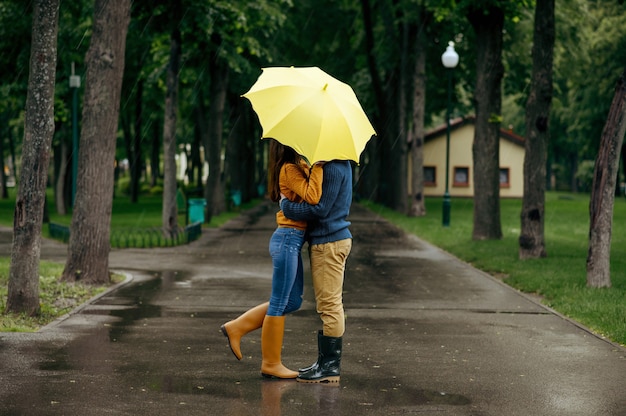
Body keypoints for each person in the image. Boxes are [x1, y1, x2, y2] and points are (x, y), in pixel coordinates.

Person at [221, 139, 323, 379]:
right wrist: (318, 165)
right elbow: (313, 195)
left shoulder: (296, 166)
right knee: (279, 302)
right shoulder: (289, 168)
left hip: (292, 241)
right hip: (288, 239)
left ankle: (237, 327)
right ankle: (271, 363)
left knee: (293, 301)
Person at [279, 159, 353, 384]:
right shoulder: (342, 164)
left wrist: (286, 206)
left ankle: (330, 368)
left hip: (328, 243)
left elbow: (319, 209)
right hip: (331, 240)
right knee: (329, 305)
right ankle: (324, 362)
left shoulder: (331, 167)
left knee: (329, 306)